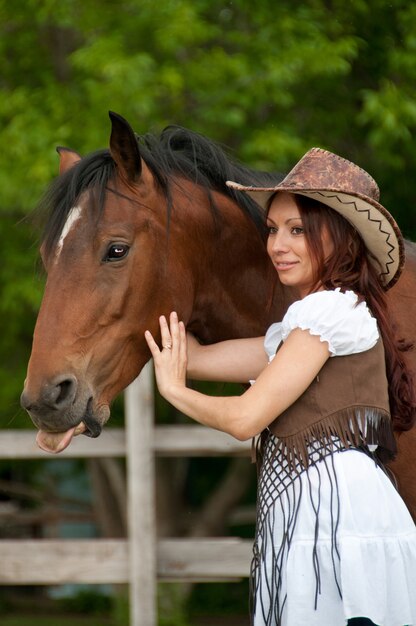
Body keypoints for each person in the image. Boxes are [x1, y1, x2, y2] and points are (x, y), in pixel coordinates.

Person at [145, 147, 416, 626]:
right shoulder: (300, 327)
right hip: (312, 518)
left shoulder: (330, 312)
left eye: (297, 231)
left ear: (341, 239)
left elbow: (245, 417)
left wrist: (175, 393)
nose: (277, 245)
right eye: (273, 230)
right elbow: (200, 357)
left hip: (340, 523)